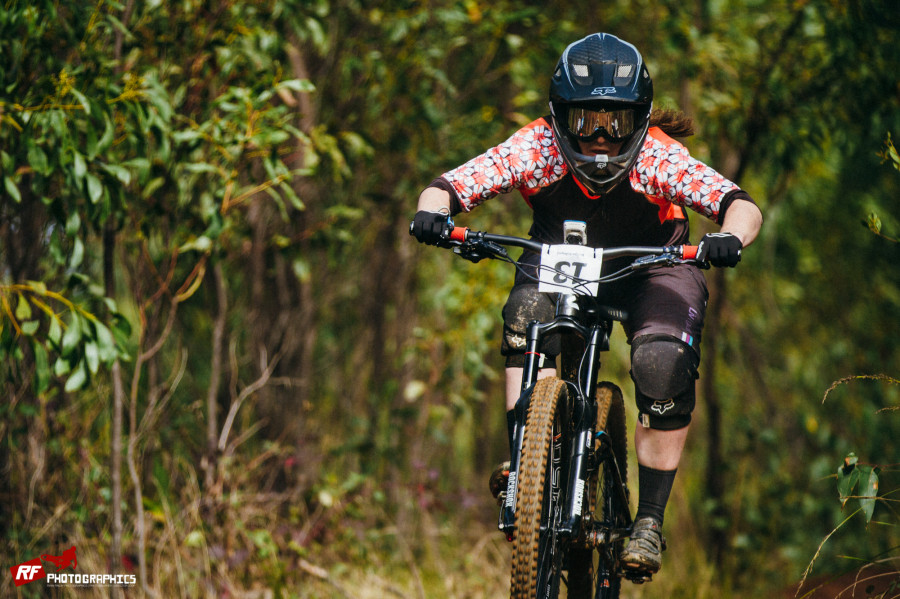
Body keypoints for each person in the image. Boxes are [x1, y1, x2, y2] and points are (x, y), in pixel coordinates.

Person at [410, 32, 762, 582]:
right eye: (584, 121)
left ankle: (647, 520)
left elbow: (738, 204)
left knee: (660, 362)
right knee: (526, 314)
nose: (600, 138)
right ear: (558, 118)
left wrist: (731, 238)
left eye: (616, 122)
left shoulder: (660, 158)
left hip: (653, 265)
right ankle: (527, 461)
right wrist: (433, 213)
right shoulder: (536, 148)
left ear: (641, 121)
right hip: (562, 261)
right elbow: (452, 185)